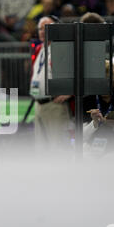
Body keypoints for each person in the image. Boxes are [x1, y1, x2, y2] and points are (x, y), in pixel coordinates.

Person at [30, 15, 72, 151]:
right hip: (39, 104)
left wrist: (70, 91)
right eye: (40, 29)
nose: (42, 31)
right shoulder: (39, 49)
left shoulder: (63, 48)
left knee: (57, 149)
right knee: (41, 149)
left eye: (46, 28)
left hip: (55, 105)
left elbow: (77, 71)